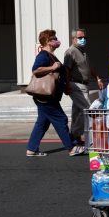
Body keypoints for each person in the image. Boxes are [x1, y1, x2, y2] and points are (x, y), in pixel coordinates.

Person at [27, 29, 86, 157]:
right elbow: (36, 70)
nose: (56, 40)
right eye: (53, 39)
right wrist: (53, 67)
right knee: (61, 119)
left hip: (48, 96)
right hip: (45, 96)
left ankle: (31, 149)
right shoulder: (43, 55)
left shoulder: (51, 55)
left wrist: (65, 86)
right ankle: (71, 148)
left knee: (42, 122)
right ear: (48, 42)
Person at [64, 28, 104, 145]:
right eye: (80, 38)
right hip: (76, 84)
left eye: (84, 38)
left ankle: (74, 136)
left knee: (77, 113)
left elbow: (89, 67)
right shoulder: (70, 52)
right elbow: (66, 69)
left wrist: (97, 77)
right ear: (73, 39)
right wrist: (66, 85)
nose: (83, 40)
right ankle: (92, 139)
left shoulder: (82, 51)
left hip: (85, 85)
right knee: (87, 110)